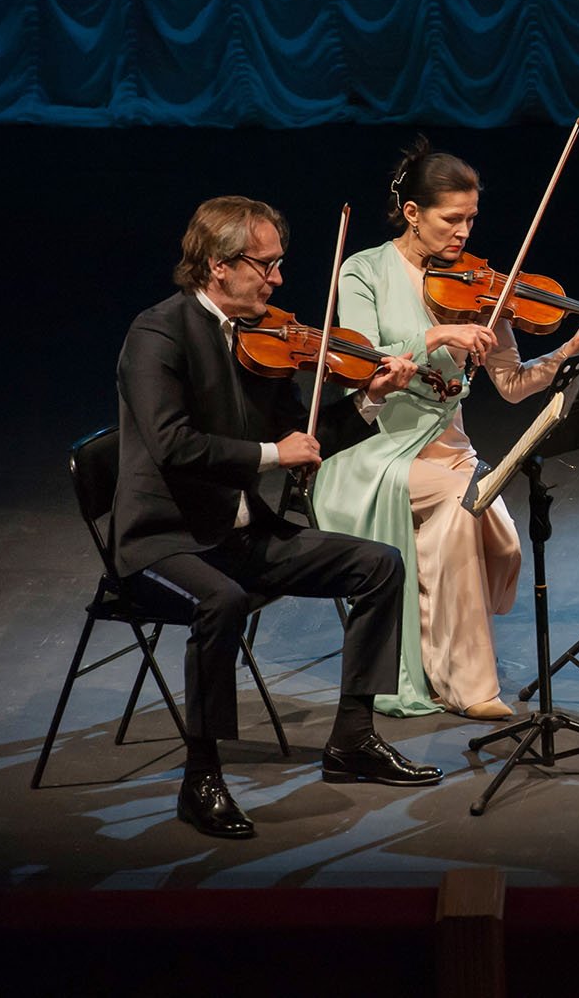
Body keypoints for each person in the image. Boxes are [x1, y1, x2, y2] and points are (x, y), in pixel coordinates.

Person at [113, 196, 443, 840]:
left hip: (240, 534)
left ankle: (353, 740)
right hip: (163, 542)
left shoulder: (261, 338)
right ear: (218, 265)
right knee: (223, 602)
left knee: (380, 565)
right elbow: (172, 444)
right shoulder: (158, 335)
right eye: (264, 265)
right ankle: (201, 778)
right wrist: (270, 454)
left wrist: (370, 400)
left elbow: (304, 435)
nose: (278, 279)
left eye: (278, 264)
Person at [311, 138, 579, 721]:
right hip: (375, 450)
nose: (463, 232)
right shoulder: (364, 271)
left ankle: (435, 644)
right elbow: (360, 362)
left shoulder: (478, 285)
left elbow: (512, 384)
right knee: (461, 513)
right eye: (451, 219)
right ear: (413, 213)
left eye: (471, 219)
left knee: (504, 547)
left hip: (449, 449)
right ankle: (470, 685)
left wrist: (574, 346)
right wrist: (436, 335)